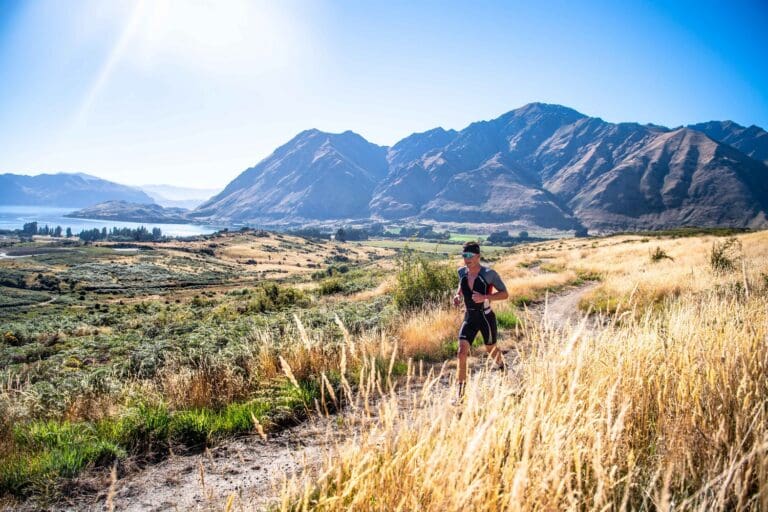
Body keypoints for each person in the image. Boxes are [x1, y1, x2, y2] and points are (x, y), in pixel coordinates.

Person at [452, 241, 508, 401]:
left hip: (486, 317)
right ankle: (460, 394)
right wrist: (458, 295)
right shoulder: (461, 271)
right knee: (461, 353)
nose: (466, 259)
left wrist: (485, 297)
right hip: (469, 317)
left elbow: (505, 294)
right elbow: (461, 285)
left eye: (469, 256)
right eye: (464, 255)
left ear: (478, 256)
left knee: (491, 349)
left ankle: (502, 367)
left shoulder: (489, 274)